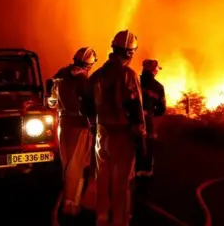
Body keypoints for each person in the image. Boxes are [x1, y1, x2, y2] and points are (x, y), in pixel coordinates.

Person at [83, 30, 145, 226]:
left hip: (102, 133)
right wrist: (141, 137)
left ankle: (101, 217)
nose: (133, 55)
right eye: (132, 52)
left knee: (102, 177)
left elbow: (86, 102)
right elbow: (135, 107)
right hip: (123, 136)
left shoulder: (97, 75)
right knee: (122, 183)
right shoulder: (129, 75)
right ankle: (120, 221)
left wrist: (93, 125)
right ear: (128, 53)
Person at [51, 47, 98, 216]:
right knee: (77, 165)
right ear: (89, 64)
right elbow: (90, 103)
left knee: (66, 162)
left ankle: (67, 200)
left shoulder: (60, 75)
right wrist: (93, 123)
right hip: (79, 125)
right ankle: (71, 204)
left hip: (62, 123)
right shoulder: (83, 79)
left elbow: (51, 99)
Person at [135, 59, 166, 179]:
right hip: (148, 122)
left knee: (134, 147)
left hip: (131, 120)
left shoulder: (134, 81)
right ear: (154, 70)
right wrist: (151, 113)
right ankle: (146, 176)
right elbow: (162, 109)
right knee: (148, 147)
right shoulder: (158, 87)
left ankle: (132, 174)